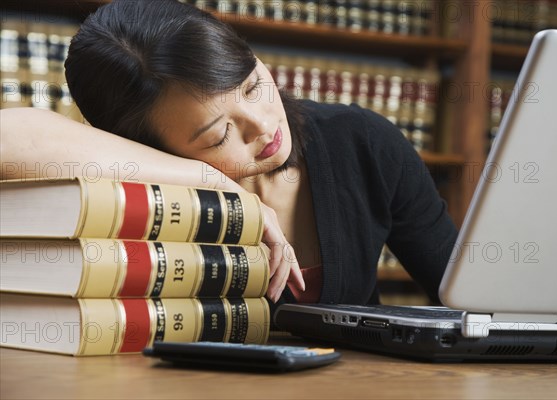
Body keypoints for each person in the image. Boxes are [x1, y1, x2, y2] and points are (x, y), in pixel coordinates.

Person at [0, 0, 457, 308]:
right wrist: (212, 181)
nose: (264, 125)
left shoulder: (360, 141)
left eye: (253, 85)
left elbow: (469, 298)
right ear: (148, 148)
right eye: (220, 135)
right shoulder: (133, 190)